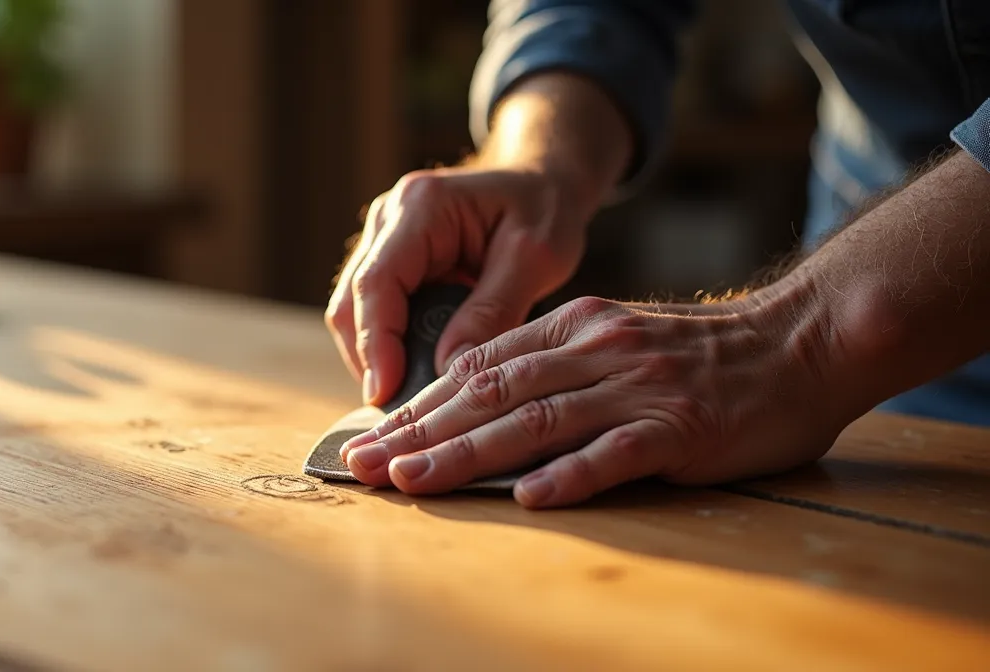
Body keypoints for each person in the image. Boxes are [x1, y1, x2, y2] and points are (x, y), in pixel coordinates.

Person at [325, 1, 990, 509]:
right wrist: (538, 158)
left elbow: (823, 335)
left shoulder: (817, 340)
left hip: (865, 323)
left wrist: (806, 333)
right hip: (885, 400)